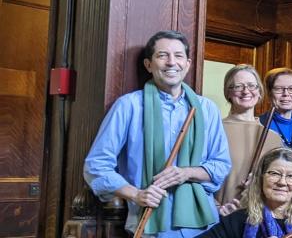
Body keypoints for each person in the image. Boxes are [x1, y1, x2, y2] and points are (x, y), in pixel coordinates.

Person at [84, 30, 232, 236]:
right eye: (162, 55)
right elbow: (96, 166)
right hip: (150, 224)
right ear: (149, 65)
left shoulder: (207, 109)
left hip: (205, 227)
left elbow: (221, 165)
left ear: (187, 64)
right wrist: (136, 194)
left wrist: (186, 173)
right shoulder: (129, 106)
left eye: (178, 56)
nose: (172, 62)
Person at [202, 148, 292, 237]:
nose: (282, 182)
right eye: (274, 173)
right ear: (261, 178)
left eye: (291, 176)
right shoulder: (240, 219)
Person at [217, 64, 284, 216]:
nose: (246, 91)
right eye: (238, 86)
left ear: (259, 91)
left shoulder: (273, 137)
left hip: (258, 218)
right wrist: (215, 208)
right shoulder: (215, 129)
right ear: (228, 92)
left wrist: (261, 182)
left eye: (251, 86)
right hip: (220, 216)